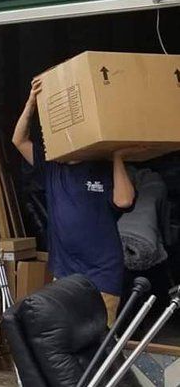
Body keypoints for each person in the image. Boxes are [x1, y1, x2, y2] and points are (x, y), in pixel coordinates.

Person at [12, 78, 137, 325]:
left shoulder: (102, 168)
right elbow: (19, 140)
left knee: (99, 342)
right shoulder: (52, 169)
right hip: (65, 273)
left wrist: (118, 156)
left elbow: (124, 201)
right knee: (67, 339)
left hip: (102, 274)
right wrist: (30, 104)